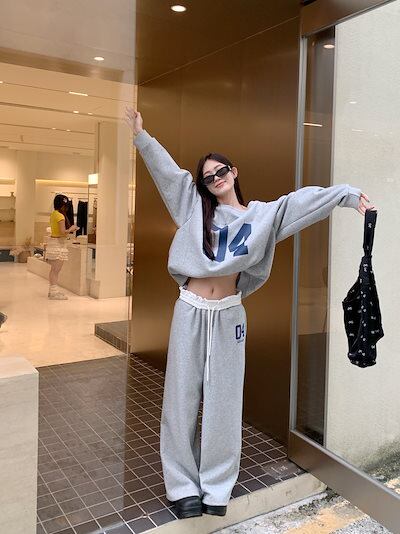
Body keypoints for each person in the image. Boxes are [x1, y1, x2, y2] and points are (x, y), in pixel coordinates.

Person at [124, 107, 376, 520]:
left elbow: (300, 202)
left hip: (229, 315)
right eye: (208, 177)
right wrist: (141, 136)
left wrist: (347, 195)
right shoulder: (193, 208)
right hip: (190, 310)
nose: (216, 179)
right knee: (181, 399)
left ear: (234, 172)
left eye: (221, 171)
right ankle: (182, 486)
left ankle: (216, 487)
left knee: (223, 402)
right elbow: (169, 174)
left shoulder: (261, 216)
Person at [47, 194, 79, 300]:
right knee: (56, 270)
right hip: (58, 244)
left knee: (53, 270)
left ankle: (52, 291)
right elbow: (62, 232)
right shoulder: (60, 216)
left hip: (53, 243)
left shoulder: (53, 214)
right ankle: (54, 292)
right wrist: (71, 229)